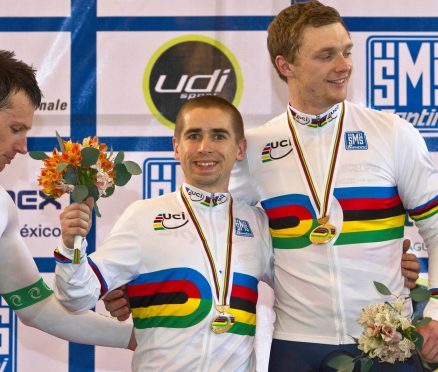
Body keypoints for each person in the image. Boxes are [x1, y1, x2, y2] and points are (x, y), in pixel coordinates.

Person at [228, 2, 438, 370]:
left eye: (346, 51)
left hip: (387, 344)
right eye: (326, 55)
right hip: (296, 346)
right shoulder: (254, 148)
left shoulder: (392, 134)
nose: (344, 66)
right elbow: (217, 237)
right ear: (285, 65)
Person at [53, 96, 273, 371]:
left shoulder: (258, 225)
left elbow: (306, 288)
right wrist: (71, 244)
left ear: (240, 148)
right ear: (176, 148)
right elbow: (77, 297)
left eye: (219, 136)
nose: (205, 147)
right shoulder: (143, 217)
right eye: (194, 136)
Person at [0, 50, 134, 349]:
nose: (23, 147)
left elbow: (35, 305)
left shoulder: (2, 207)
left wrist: (137, 338)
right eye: (15, 129)